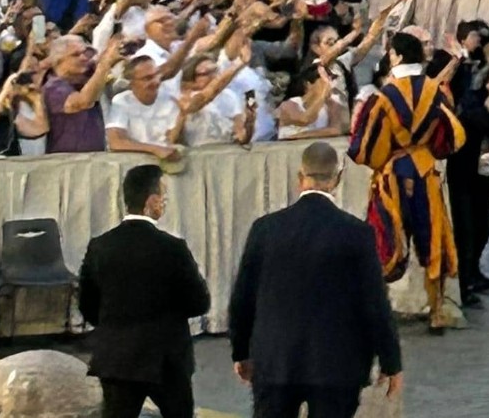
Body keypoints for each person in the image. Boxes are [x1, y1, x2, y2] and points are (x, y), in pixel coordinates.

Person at [229, 142, 403, 418]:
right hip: (337, 366)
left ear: (300, 177)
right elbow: (375, 303)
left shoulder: (265, 229)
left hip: (275, 361)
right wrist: (391, 361)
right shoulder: (356, 233)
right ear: (337, 179)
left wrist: (240, 351)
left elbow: (242, 299)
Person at [347, 32, 467, 330]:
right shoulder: (434, 91)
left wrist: (382, 157)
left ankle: (379, 308)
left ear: (395, 56)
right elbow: (450, 136)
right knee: (431, 240)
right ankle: (437, 311)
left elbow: (363, 148)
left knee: (384, 237)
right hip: (424, 172)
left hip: (392, 175)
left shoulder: (383, 96)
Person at [79, 164, 211, 418]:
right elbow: (199, 302)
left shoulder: (100, 246)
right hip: (166, 359)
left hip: (116, 358)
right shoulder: (172, 248)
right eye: (163, 195)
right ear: (152, 201)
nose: (165, 202)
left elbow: (87, 304)